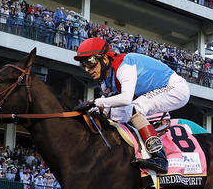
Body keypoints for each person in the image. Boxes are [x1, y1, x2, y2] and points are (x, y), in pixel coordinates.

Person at [72, 37, 191, 173]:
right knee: (113, 113)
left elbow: (126, 99)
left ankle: (160, 157)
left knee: (135, 108)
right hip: (155, 92)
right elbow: (109, 106)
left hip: (175, 88)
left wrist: (94, 102)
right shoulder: (106, 80)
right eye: (83, 65)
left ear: (104, 59)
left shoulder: (124, 66)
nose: (87, 69)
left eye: (90, 62)